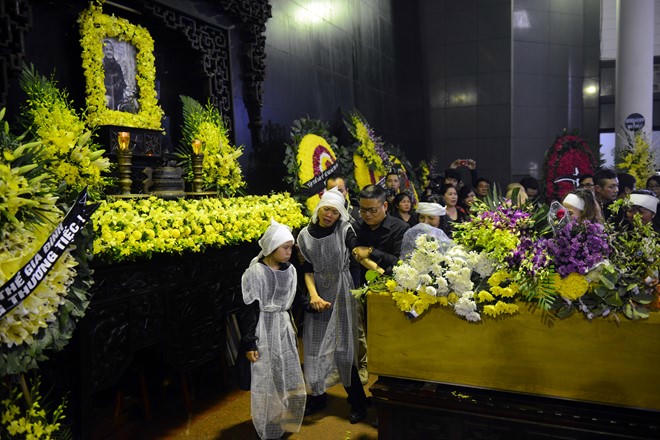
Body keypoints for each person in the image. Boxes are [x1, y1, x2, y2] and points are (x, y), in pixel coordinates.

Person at [297, 188, 368, 424]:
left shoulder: (345, 230)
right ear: (319, 208)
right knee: (314, 347)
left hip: (342, 290)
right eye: (327, 210)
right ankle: (318, 396)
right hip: (318, 294)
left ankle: (358, 402)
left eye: (335, 212)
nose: (330, 215)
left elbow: (356, 249)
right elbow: (307, 269)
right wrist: (314, 296)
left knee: (344, 350)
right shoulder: (304, 235)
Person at [240, 220, 306, 439]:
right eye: (284, 247)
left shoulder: (291, 271)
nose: (289, 252)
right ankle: (266, 421)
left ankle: (279, 416)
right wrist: (250, 342)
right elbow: (249, 308)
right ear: (271, 247)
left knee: (283, 371)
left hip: (283, 327)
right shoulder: (256, 272)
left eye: (291, 248)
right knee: (265, 373)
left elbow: (296, 298)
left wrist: (312, 305)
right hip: (264, 329)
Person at [353, 184, 410, 277]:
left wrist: (371, 252)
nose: (367, 214)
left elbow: (400, 262)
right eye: (363, 210)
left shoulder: (400, 228)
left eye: (373, 210)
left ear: (385, 206)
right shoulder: (357, 226)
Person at [102, 39, 126, 110]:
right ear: (103, 51)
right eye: (106, 50)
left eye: (110, 50)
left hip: (117, 95)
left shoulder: (117, 66)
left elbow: (122, 80)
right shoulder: (102, 65)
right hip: (106, 95)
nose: (109, 52)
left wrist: (118, 87)